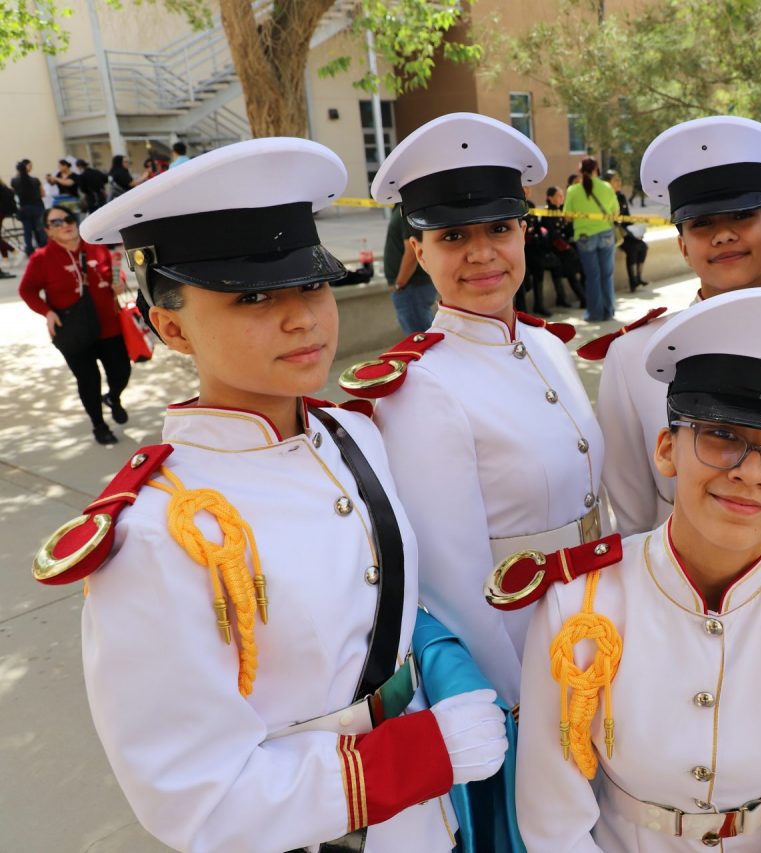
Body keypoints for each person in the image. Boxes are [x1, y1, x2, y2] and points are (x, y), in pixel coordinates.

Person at [34, 137, 509, 853]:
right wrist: (418, 756)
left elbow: (381, 611)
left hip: (426, 823)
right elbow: (195, 796)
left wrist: (446, 672)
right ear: (170, 327)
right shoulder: (156, 531)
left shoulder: (352, 435)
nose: (303, 318)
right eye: (253, 297)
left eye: (312, 285)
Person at [499, 288, 761, 851]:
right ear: (666, 449)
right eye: (722, 436)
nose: (751, 473)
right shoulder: (579, 601)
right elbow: (553, 818)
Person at [344, 112, 606, 705]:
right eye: (453, 237)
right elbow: (454, 586)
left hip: (601, 624)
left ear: (524, 233)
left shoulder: (545, 344)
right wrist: (513, 705)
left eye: (499, 229)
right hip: (528, 654)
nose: (482, 253)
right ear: (419, 252)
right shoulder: (422, 386)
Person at [586, 116, 761, 536]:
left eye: (742, 215)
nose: (723, 235)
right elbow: (631, 515)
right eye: (702, 224)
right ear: (683, 247)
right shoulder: (634, 356)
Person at [19, 205, 131, 444]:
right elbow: (26, 290)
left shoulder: (95, 247)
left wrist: (119, 281)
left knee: (122, 371)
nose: (65, 224)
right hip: (73, 331)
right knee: (89, 380)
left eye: (68, 219)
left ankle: (113, 397)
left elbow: (113, 272)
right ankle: (99, 426)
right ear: (48, 231)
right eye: (56, 222)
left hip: (109, 326)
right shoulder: (41, 258)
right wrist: (47, 312)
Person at [564, 156, 620, 321]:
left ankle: (594, 314)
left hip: (584, 236)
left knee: (592, 276)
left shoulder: (573, 190)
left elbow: (567, 216)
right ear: (596, 169)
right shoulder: (606, 187)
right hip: (605, 234)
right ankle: (608, 311)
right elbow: (616, 213)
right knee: (607, 275)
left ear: (580, 171)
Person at [384, 201, 439, 333]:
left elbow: (412, 252)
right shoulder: (403, 207)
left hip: (411, 287)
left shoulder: (407, 208)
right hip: (411, 287)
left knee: (420, 338)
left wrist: (399, 284)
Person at [543, 185, 585, 308]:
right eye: (559, 196)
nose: (562, 198)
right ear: (550, 198)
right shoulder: (547, 213)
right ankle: (582, 298)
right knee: (570, 269)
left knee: (578, 266)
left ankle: (579, 297)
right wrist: (567, 247)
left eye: (562, 196)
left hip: (565, 248)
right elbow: (553, 235)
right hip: (555, 249)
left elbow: (568, 231)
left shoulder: (562, 211)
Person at [607, 169, 649, 292]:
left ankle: (639, 278)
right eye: (615, 180)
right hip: (615, 234)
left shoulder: (621, 196)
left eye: (619, 180)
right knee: (632, 249)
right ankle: (633, 281)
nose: (619, 182)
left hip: (626, 231)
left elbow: (627, 217)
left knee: (643, 246)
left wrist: (636, 230)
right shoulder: (607, 197)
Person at [516, 184, 551, 316]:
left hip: (532, 247)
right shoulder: (513, 204)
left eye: (528, 187)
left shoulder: (531, 205)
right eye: (523, 187)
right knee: (521, 276)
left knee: (539, 269)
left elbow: (537, 225)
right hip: (520, 248)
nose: (526, 190)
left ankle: (539, 304)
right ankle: (522, 310)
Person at [12, 158, 47, 255]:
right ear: (27, 168)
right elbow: (43, 194)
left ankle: (29, 250)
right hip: (37, 207)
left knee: (27, 231)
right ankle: (44, 248)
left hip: (24, 209)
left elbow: (14, 193)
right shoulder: (35, 180)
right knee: (40, 230)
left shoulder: (14, 181)